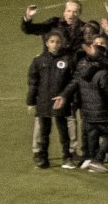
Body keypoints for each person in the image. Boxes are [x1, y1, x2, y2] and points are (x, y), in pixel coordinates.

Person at [27, 32, 76, 169]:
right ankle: (43, 158)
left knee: (63, 131)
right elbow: (33, 82)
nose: (55, 45)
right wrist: (30, 102)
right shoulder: (38, 61)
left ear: (61, 44)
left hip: (60, 101)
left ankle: (67, 157)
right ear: (47, 43)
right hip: (44, 101)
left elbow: (73, 80)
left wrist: (66, 96)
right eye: (52, 42)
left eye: (57, 42)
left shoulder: (67, 60)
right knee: (44, 132)